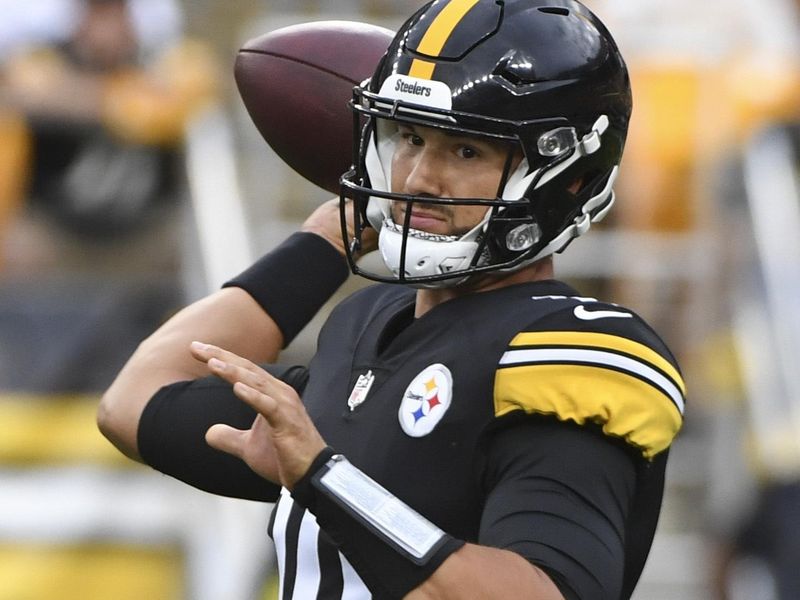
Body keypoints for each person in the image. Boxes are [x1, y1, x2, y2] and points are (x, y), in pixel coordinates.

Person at [98, 1, 686, 598]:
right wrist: (325, 240)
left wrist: (326, 479)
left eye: (466, 151)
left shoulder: (569, 347)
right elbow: (135, 400)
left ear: (569, 177)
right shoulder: (365, 326)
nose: (418, 178)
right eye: (409, 137)